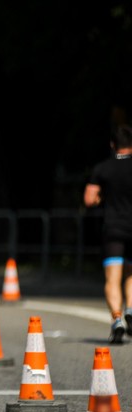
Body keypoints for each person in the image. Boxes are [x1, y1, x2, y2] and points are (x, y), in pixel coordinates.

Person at [84, 124, 132, 344]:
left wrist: (102, 197)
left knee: (112, 278)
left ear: (113, 145)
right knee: (131, 275)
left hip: (113, 228)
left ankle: (117, 318)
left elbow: (89, 199)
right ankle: (130, 309)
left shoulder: (103, 168)